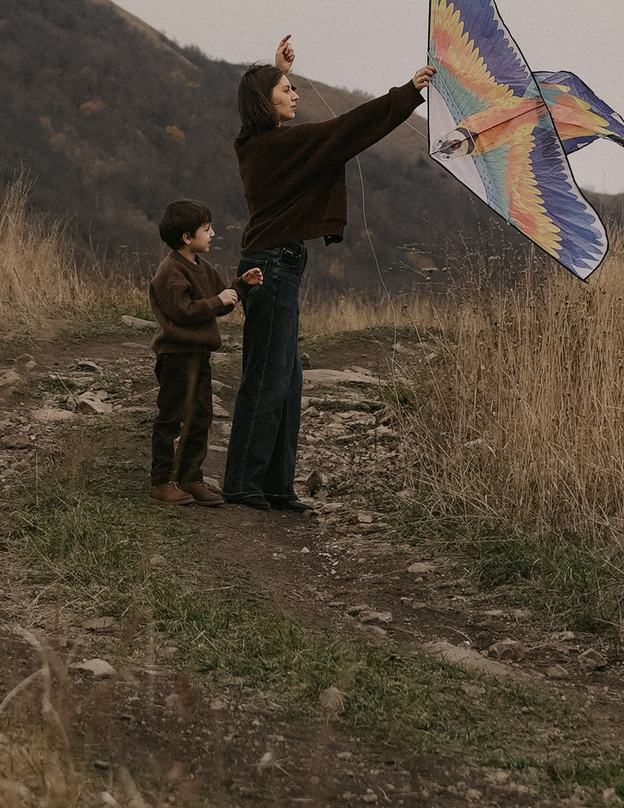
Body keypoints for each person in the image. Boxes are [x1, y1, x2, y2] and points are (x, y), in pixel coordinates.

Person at [219, 36, 435, 511]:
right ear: (265, 102)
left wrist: (276, 70)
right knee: (267, 377)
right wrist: (408, 92)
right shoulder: (275, 146)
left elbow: (266, 119)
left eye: (292, 87)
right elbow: (347, 129)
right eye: (285, 89)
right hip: (270, 266)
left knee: (286, 379)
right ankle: (242, 483)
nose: (295, 94)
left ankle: (276, 486)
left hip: (277, 263)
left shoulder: (256, 144)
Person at [146, 199, 259, 506]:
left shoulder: (202, 268)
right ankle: (162, 482)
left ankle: (190, 478)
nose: (213, 234)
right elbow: (184, 312)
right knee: (172, 418)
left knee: (200, 417)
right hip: (175, 356)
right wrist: (217, 301)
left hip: (199, 354)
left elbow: (218, 303)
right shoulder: (171, 272)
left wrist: (240, 287)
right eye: (207, 229)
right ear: (187, 237)